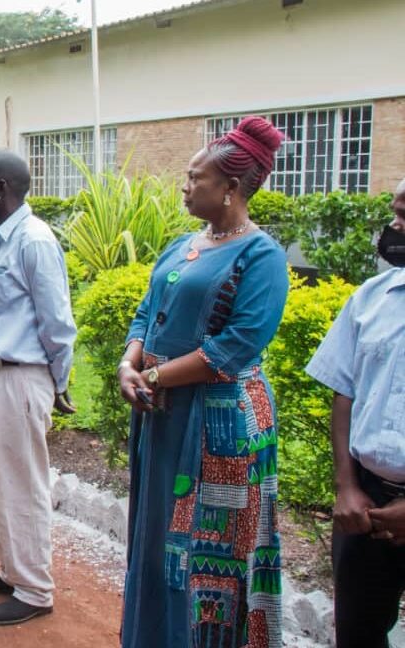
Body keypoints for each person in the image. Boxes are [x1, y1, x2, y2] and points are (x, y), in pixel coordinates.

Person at [116, 116, 288, 647]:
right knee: (154, 539)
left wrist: (155, 374)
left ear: (232, 188)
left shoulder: (262, 257)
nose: (185, 187)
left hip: (219, 427)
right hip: (162, 413)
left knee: (206, 552)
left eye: (196, 178)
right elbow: (146, 314)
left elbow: (234, 348)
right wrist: (129, 364)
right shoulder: (179, 245)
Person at [0, 151, 76, 627]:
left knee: (22, 484)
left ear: (2, 188)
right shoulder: (2, 239)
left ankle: (35, 588)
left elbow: (58, 323)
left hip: (20, 376)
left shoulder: (34, 241)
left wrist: (59, 382)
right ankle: (12, 569)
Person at [305, 177, 405, 648]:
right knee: (359, 633)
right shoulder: (371, 298)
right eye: (395, 213)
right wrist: (346, 485)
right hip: (364, 505)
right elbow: (344, 391)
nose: (393, 227)